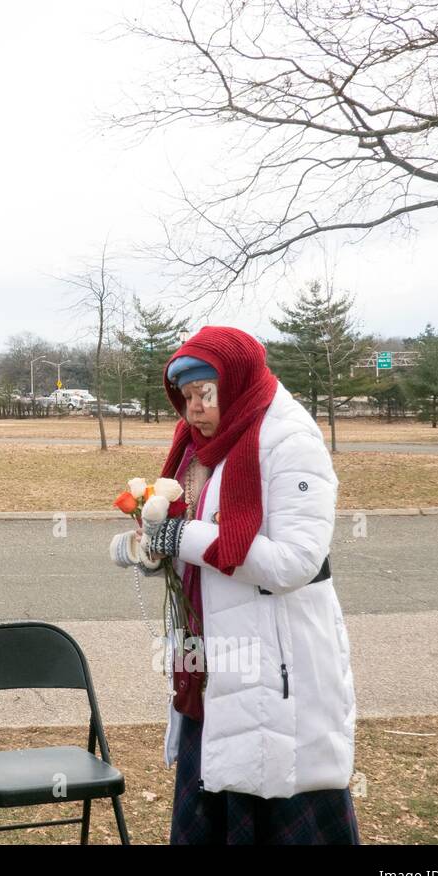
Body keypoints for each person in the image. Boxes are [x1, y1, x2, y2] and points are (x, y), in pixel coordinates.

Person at [111, 325, 360, 844]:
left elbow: (294, 562)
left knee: (277, 803)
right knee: (218, 807)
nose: (193, 409)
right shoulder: (200, 446)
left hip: (276, 674)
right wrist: (152, 548)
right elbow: (199, 541)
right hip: (214, 673)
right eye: (185, 397)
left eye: (205, 393)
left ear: (238, 381)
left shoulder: (289, 439)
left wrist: (183, 534)